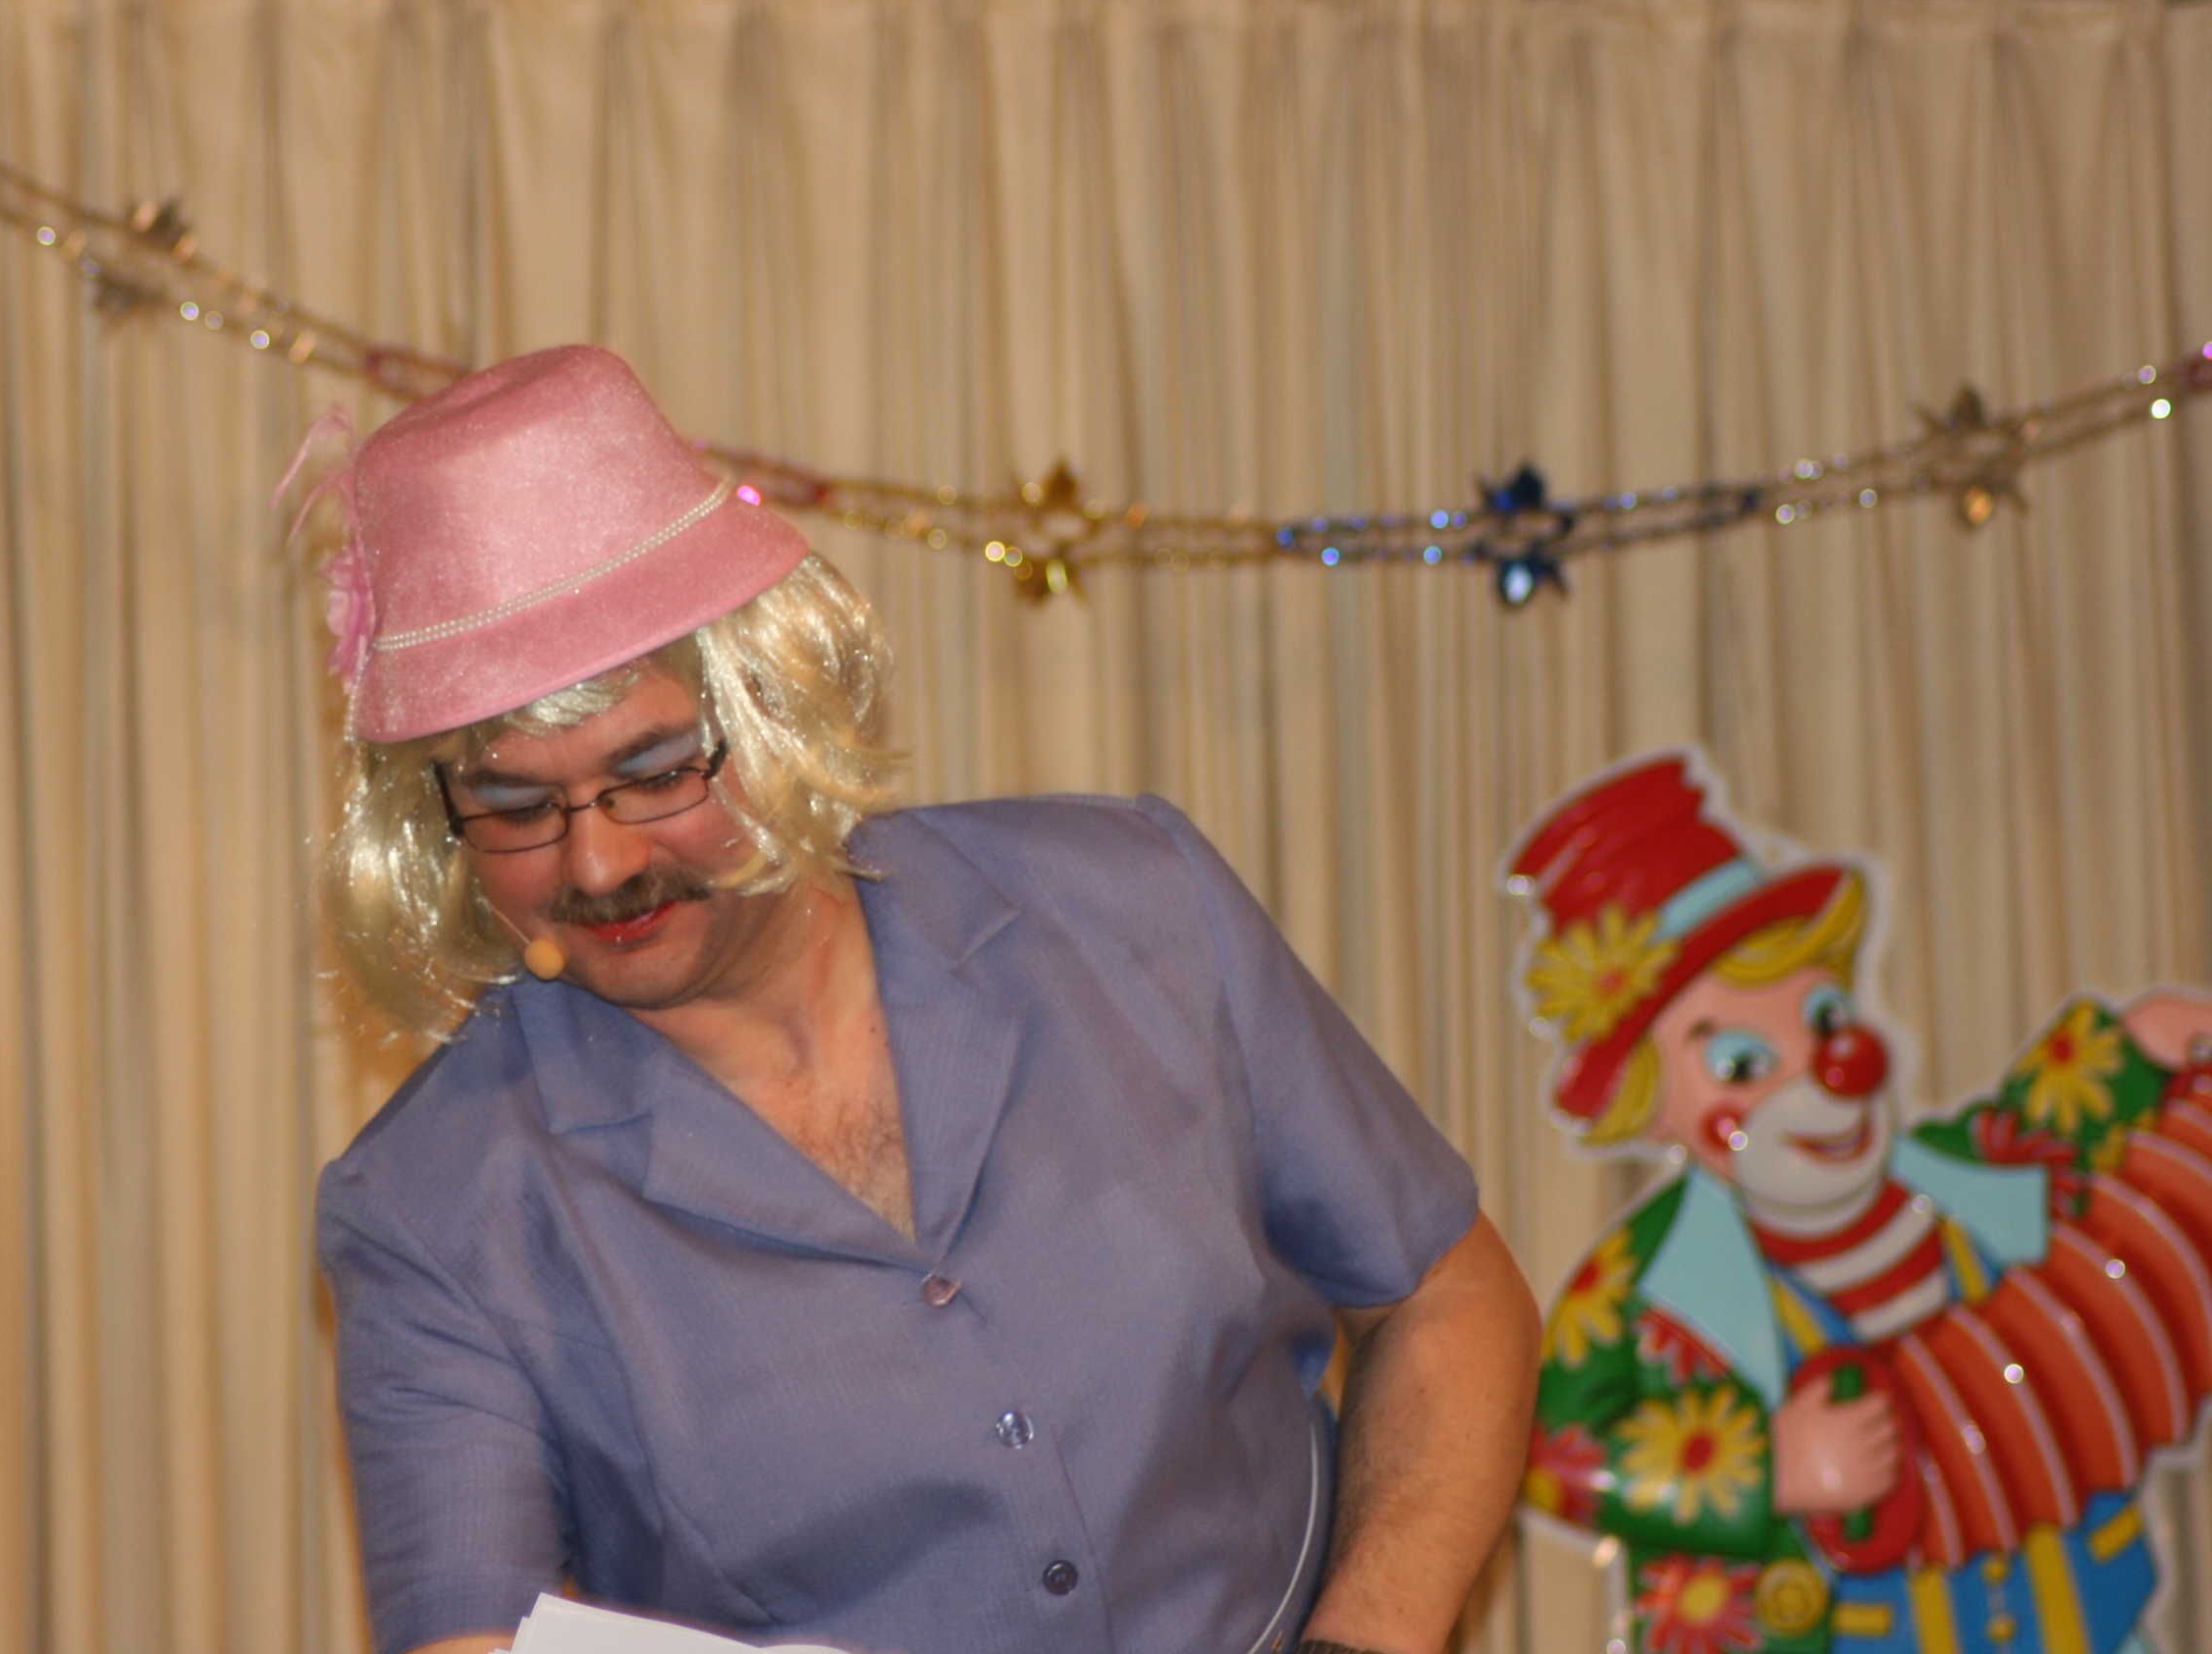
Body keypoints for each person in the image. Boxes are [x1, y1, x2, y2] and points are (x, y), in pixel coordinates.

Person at [308, 346, 1538, 1654]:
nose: (599, 863)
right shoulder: (435, 1208)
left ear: (772, 704)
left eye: (657, 771)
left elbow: (1446, 1299)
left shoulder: (1134, 904)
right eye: (515, 806)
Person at [1510, 754, 2212, 1654]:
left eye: (1827, 1020)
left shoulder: (1963, 1176)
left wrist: (2134, 1043)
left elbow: (2033, 1118)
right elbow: (1539, 1448)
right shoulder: (1638, 1293)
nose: (1830, 1072)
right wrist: (1772, 1471)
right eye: (1741, 1064)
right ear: (1649, 1108)